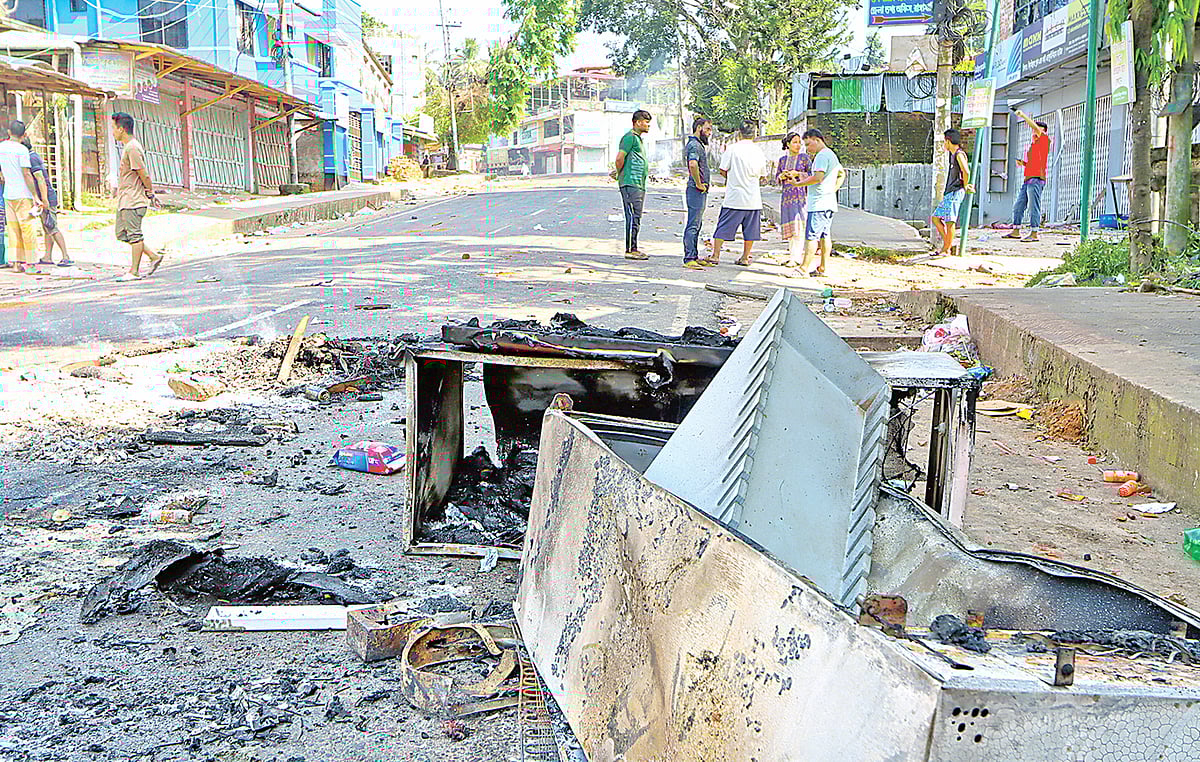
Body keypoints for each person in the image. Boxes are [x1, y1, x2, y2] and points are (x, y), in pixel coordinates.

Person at [706, 120, 767, 267]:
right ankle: (745, 257)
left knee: (723, 227)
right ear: (755, 134)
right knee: (750, 231)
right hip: (753, 199)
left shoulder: (732, 149)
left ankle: (715, 255)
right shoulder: (758, 152)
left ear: (739, 133)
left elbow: (723, 170)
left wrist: (733, 178)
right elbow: (763, 176)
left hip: (734, 197)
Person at [111, 112, 164, 282]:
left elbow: (143, 174)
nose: (113, 132)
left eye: (114, 128)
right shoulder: (128, 147)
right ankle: (153, 256)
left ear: (121, 129)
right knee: (122, 233)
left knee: (135, 235)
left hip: (134, 200)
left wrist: (150, 192)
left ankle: (134, 271)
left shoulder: (132, 148)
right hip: (126, 199)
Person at [791, 128, 845, 276]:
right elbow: (841, 174)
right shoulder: (831, 155)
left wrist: (798, 184)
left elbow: (817, 178)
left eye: (808, 144)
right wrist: (832, 189)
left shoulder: (821, 156)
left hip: (818, 203)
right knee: (824, 236)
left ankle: (803, 268)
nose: (807, 148)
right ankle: (823, 268)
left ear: (817, 140)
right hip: (828, 202)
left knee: (811, 236)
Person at [0, 121, 42, 274]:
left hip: (8, 194)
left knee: (13, 229)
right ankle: (31, 264)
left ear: (9, 132)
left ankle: (16, 264)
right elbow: (26, 174)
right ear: (24, 135)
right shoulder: (22, 150)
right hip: (23, 195)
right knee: (28, 229)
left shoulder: (1, 147)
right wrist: (35, 196)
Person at [23, 137, 71, 267]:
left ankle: (65, 256)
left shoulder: (32, 158)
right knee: (47, 228)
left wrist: (44, 200)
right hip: (46, 196)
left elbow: (40, 179)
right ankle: (48, 256)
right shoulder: (34, 156)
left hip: (47, 197)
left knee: (52, 227)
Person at [1006, 110, 1050, 242]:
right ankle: (1016, 230)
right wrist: (1024, 163)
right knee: (1019, 206)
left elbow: (1035, 128)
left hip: (1036, 179)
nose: (1034, 132)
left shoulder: (1044, 140)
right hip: (1028, 179)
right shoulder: (1033, 146)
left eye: (1037, 130)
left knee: (1033, 207)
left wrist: (1023, 116)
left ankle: (1034, 232)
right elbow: (1035, 163)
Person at [615, 110, 651, 260]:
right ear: (638, 122)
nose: (648, 125)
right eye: (646, 122)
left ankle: (634, 247)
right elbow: (619, 159)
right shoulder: (629, 138)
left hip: (638, 183)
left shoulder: (637, 139)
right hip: (630, 183)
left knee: (636, 216)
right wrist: (620, 173)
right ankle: (630, 249)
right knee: (632, 216)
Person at [931, 128, 973, 256]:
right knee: (936, 218)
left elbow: (966, 171)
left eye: (944, 141)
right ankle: (947, 244)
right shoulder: (953, 155)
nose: (944, 144)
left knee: (950, 222)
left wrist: (965, 185)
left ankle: (946, 249)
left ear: (948, 141)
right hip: (950, 192)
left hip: (956, 191)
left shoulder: (959, 154)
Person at [775, 131, 812, 270]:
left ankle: (796, 258)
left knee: (799, 227)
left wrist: (798, 174)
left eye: (799, 143)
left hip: (800, 197)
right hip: (786, 198)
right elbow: (776, 178)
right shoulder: (782, 160)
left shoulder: (804, 158)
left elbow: (812, 175)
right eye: (795, 142)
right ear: (788, 144)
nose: (798, 145)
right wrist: (782, 176)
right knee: (790, 227)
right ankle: (792, 256)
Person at [682, 116, 713, 270]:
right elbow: (693, 164)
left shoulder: (697, 144)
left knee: (697, 223)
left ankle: (693, 255)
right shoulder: (694, 145)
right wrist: (699, 184)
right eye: (707, 129)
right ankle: (689, 258)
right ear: (699, 128)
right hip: (696, 190)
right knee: (693, 224)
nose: (709, 133)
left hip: (698, 190)